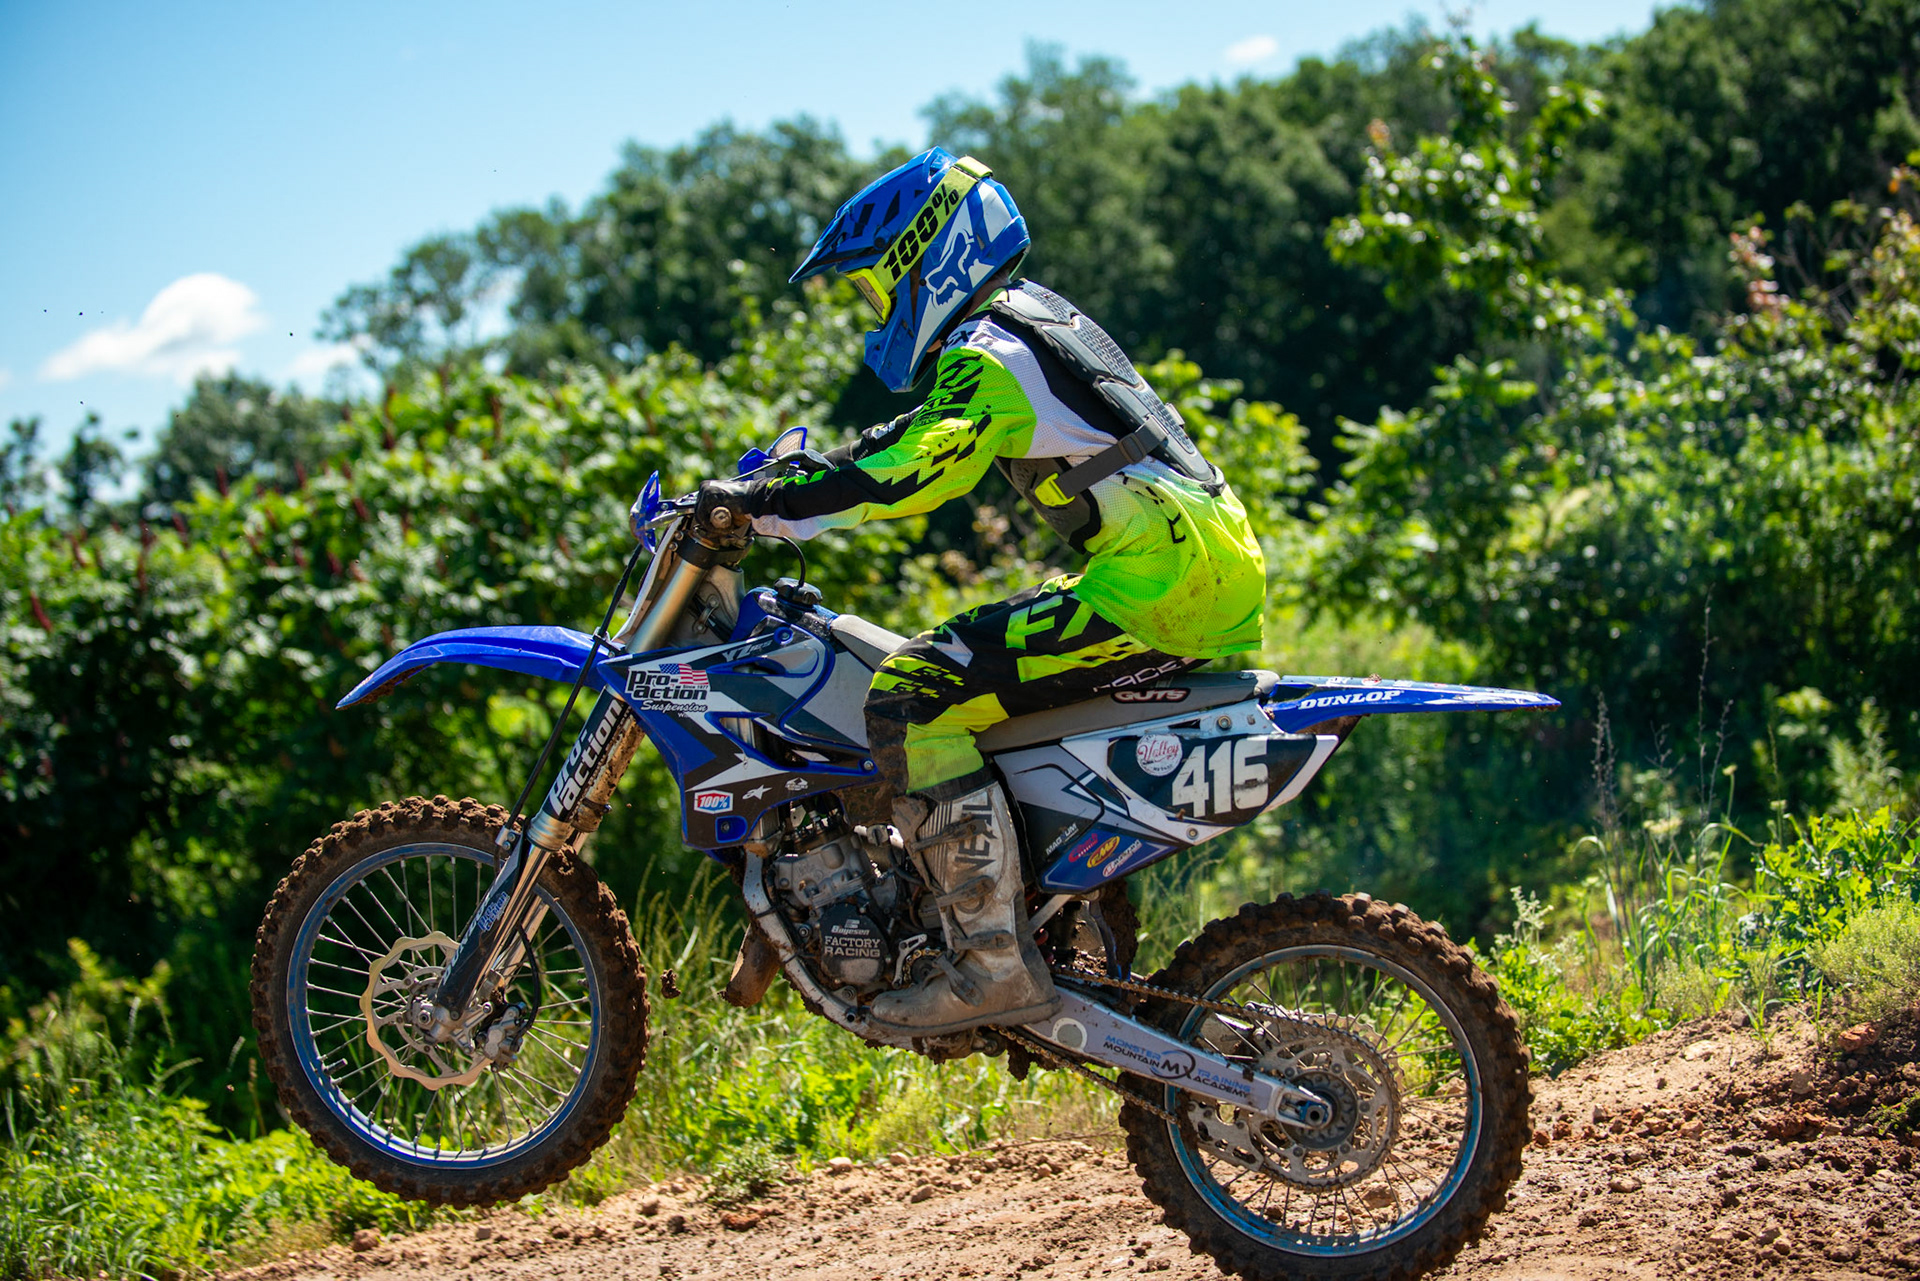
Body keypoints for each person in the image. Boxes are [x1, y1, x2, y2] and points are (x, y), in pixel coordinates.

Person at [697, 148, 1266, 1036]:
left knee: (912, 696)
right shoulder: (1022, 321)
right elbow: (906, 434)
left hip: (1161, 581)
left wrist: (768, 507)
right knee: (982, 695)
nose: (878, 311)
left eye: (878, 288)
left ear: (926, 257)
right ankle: (1056, 919)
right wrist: (792, 478)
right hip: (1188, 564)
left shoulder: (990, 351)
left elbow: (912, 468)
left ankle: (993, 965)